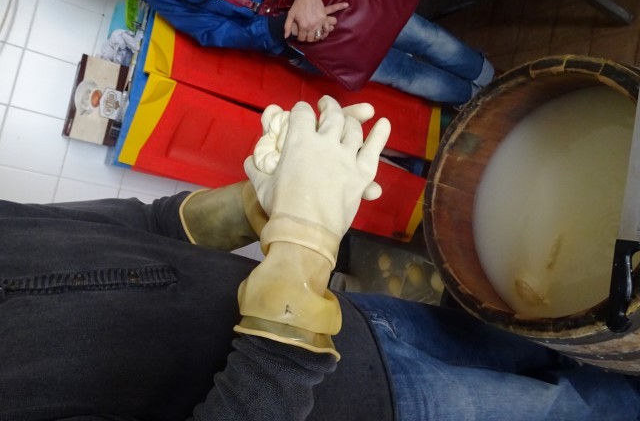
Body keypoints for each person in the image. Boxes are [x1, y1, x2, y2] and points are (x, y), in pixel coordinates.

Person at [1, 95, 639, 421]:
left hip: (361, 322)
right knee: (575, 412)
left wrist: (263, 198)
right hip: (370, 405)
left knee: (547, 344)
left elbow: (151, 227)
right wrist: (303, 245)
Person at [67, 0, 494, 106]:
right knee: (402, 72)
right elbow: (211, 31)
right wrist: (282, 28)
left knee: (423, 36)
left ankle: (495, 82)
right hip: (298, 38)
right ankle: (483, 105)